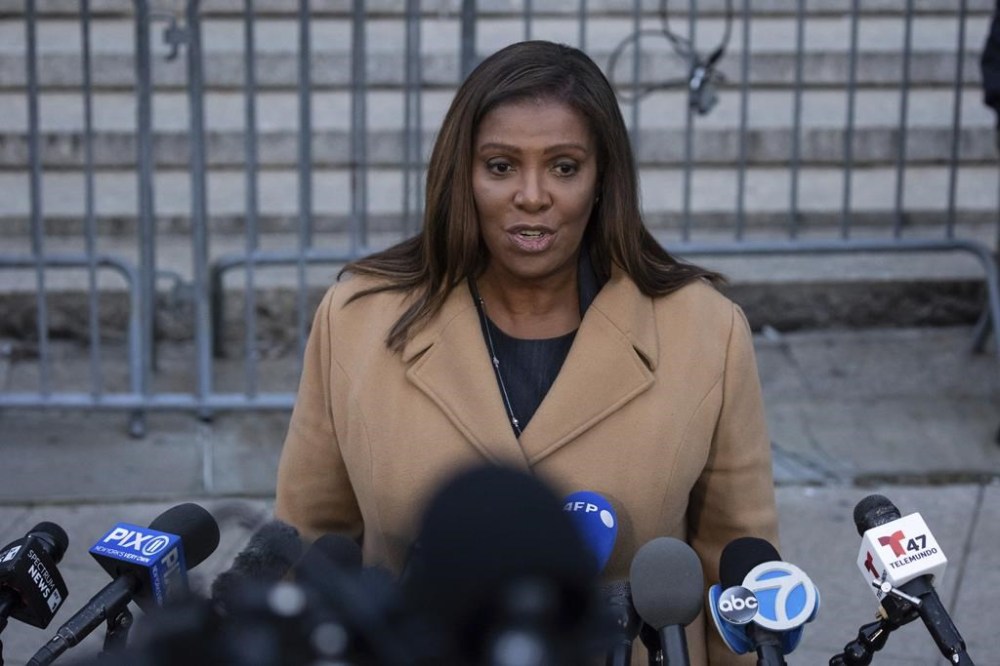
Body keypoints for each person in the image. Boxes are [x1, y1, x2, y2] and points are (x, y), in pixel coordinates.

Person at [275, 40, 778, 665]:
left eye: (564, 167)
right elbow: (310, 542)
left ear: (602, 180)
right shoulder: (358, 319)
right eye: (501, 166)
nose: (533, 195)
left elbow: (734, 569)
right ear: (463, 175)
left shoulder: (705, 330)